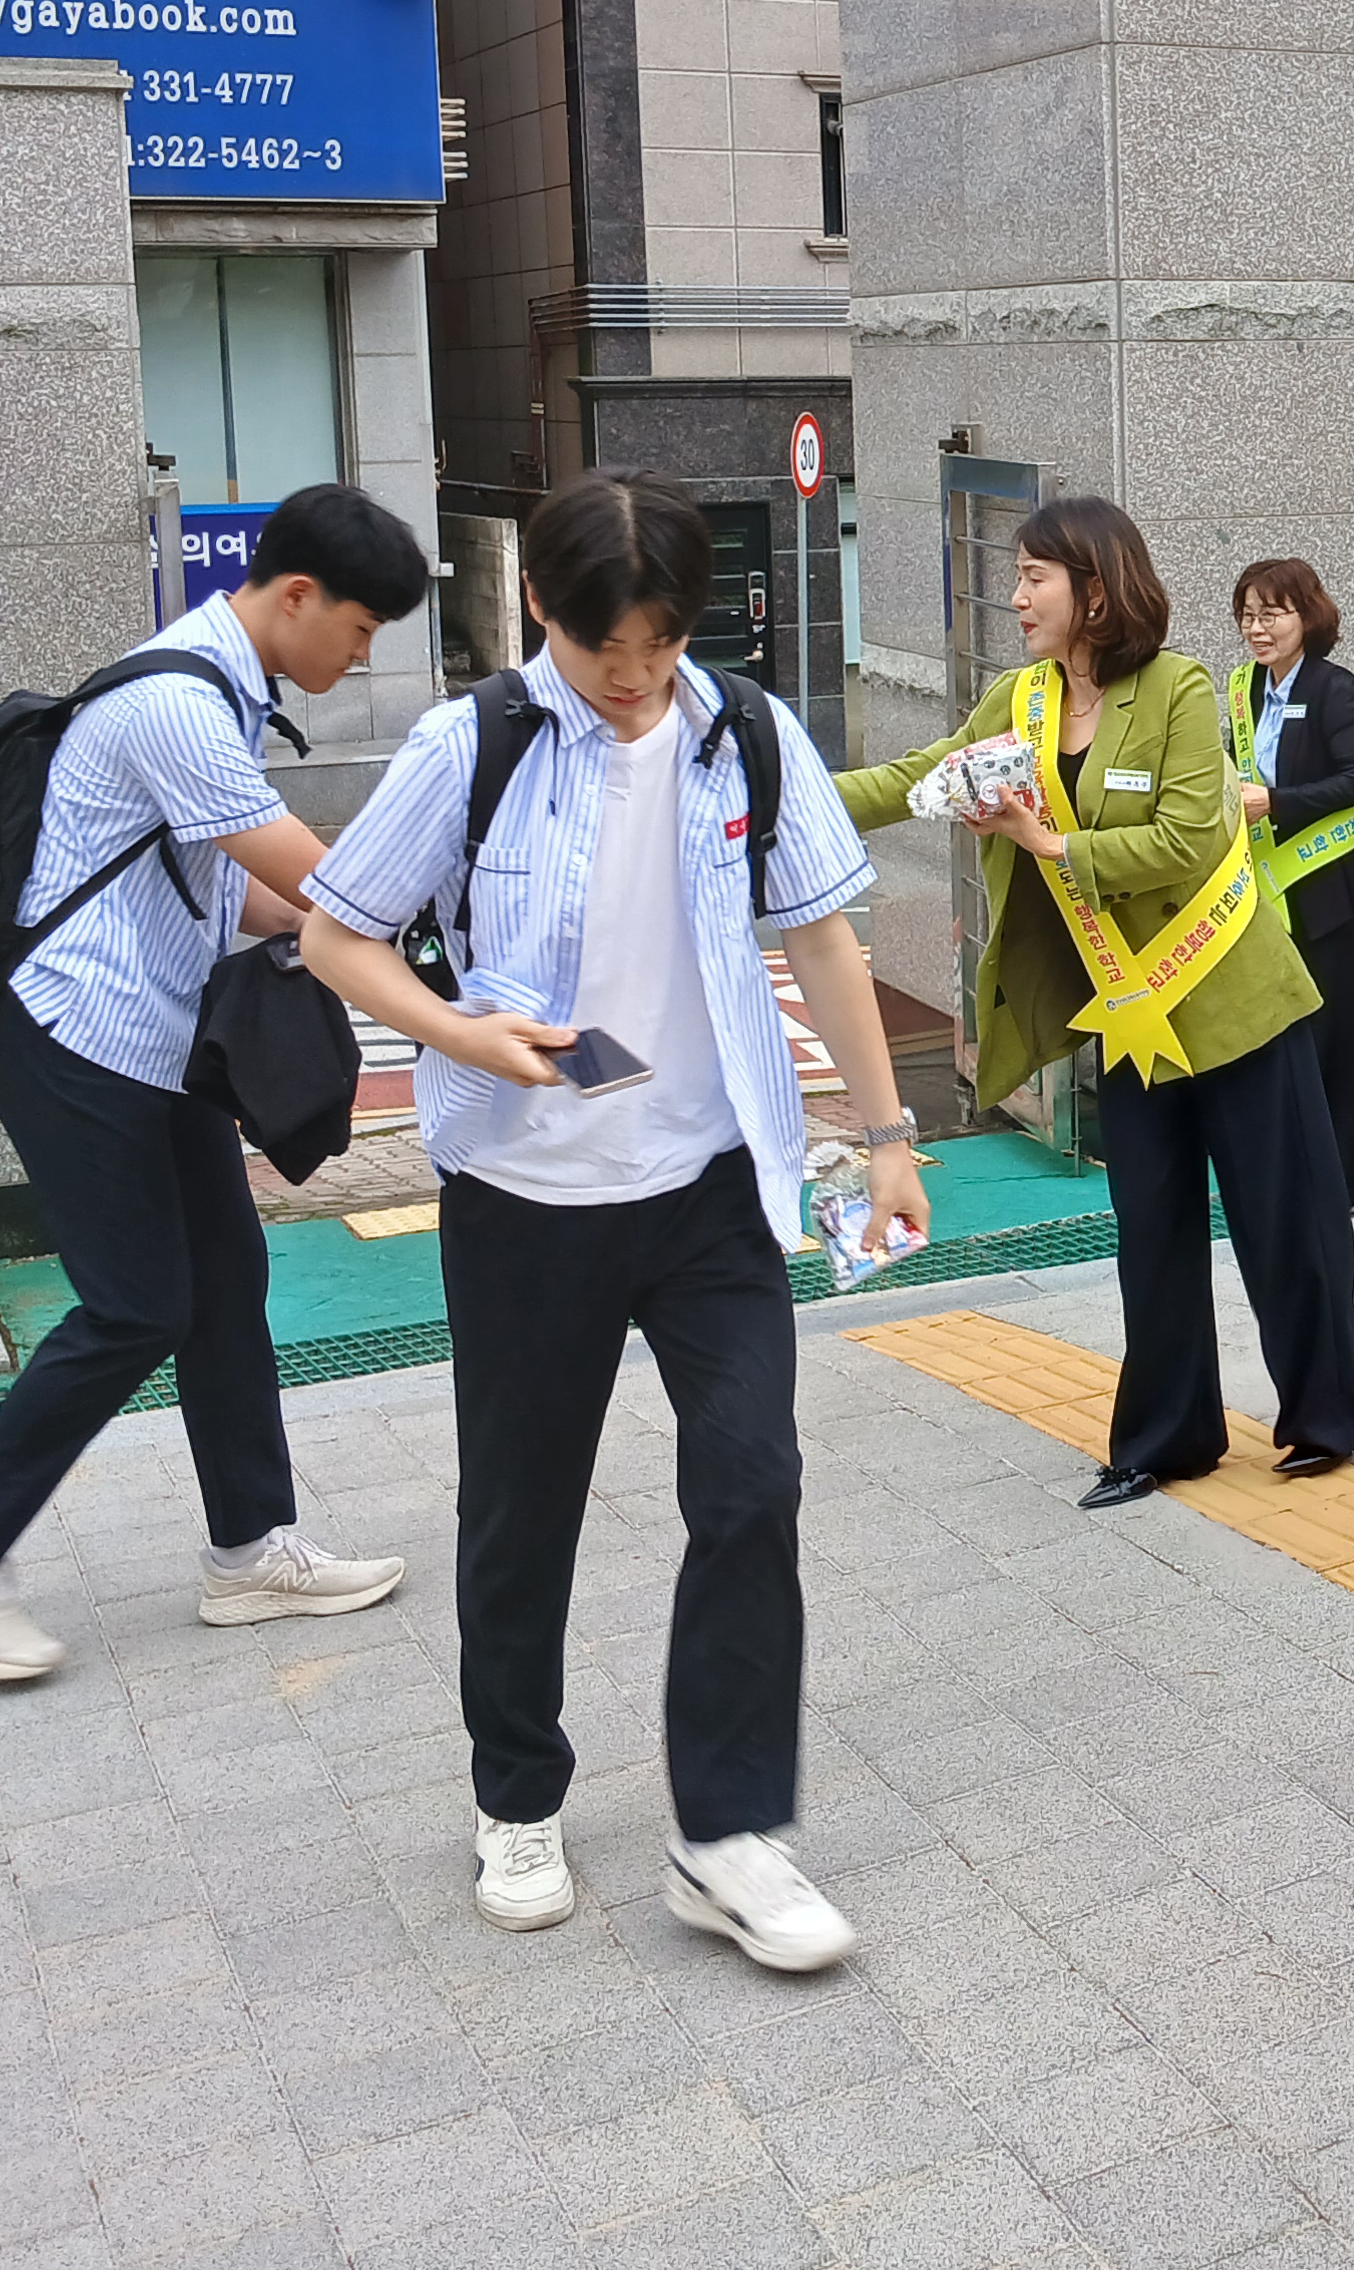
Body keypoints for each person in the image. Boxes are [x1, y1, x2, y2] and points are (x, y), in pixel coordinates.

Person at [298, 470, 928, 1961]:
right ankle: (515, 1794)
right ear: (542, 613)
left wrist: (888, 1129)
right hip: (526, 1200)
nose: (637, 680)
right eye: (606, 652)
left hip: (710, 1188)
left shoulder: (745, 734)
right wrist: (456, 1034)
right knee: (522, 1514)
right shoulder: (474, 747)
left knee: (753, 1483)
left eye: (659, 644)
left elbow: (825, 940)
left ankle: (726, 1834)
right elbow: (335, 934)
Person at [0, 483, 436, 1683]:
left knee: (226, 1282)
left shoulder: (219, 687)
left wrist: (339, 927)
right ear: (298, 595)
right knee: (137, 1306)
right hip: (72, 1033)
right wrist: (430, 939)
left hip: (153, 1035)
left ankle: (251, 1552)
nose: (361, 651)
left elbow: (232, 887)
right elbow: (315, 874)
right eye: (361, 627)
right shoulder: (179, 697)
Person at [839, 497, 1354, 1502]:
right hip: (1129, 1014)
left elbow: (1189, 838)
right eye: (1016, 576)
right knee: (1152, 1229)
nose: (1015, 597)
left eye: (1033, 577)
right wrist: (776, 800)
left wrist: (1056, 847)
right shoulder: (1021, 700)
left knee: (1285, 1221)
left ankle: (1331, 1410)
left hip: (1233, 1000)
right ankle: (1167, 1437)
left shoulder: (1177, 688)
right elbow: (919, 779)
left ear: (1095, 588)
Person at [1232, 558, 1354, 1206]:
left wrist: (1275, 802)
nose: (1258, 628)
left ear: (1306, 615)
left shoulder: (1333, 687)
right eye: (1248, 614)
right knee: (1279, 1037)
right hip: (1268, 893)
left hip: (1327, 894)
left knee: (1336, 1040)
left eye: (1272, 613)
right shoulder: (1246, 691)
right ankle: (1288, 1173)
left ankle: (1338, 1183)